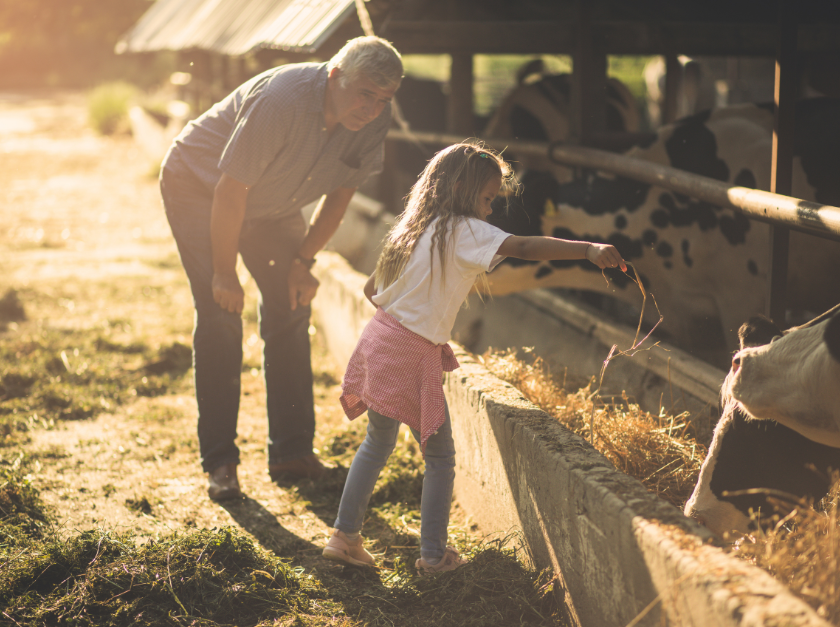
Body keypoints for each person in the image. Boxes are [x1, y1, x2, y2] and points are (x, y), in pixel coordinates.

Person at [322, 141, 627, 574]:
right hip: (410, 349)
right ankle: (433, 556)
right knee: (441, 456)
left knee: (377, 443)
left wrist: (411, 307)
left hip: (379, 338)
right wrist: (587, 250)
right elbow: (522, 247)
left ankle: (343, 536)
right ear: (463, 189)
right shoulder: (462, 229)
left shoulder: (413, 226)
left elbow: (371, 289)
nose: (488, 211)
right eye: (487, 199)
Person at [159, 36, 403, 500]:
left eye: (383, 99)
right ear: (335, 77)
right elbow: (230, 193)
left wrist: (302, 263)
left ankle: (291, 452)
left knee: (292, 305)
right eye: (365, 94)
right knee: (221, 314)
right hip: (201, 187)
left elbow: (340, 199)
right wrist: (225, 274)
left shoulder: (373, 118)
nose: (372, 109)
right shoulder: (283, 101)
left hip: (272, 203)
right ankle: (221, 463)